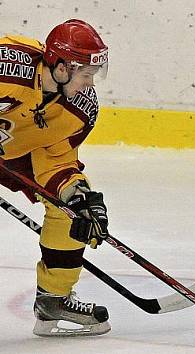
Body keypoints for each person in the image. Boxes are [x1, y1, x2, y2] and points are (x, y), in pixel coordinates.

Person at [0, 19, 111, 336]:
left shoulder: (79, 110)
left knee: (74, 207)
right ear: (61, 68)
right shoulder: (9, 64)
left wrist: (73, 195)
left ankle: (54, 299)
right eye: (86, 75)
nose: (89, 84)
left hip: (17, 152)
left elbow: (56, 164)